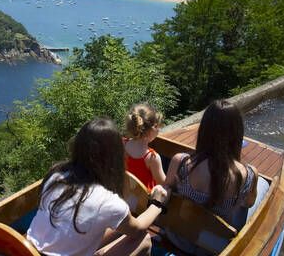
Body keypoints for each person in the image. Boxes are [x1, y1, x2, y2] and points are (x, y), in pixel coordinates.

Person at [26, 118, 170, 256]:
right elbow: (138, 229)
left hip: (27, 250)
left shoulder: (57, 175)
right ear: (116, 156)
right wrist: (157, 204)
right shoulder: (107, 201)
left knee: (115, 228)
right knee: (144, 240)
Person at [164, 99, 258, 253]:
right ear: (238, 133)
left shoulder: (180, 162)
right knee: (260, 187)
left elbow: (167, 191)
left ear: (204, 130)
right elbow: (249, 203)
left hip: (178, 237)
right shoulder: (249, 174)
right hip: (213, 248)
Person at [124, 104, 166, 191]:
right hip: (143, 202)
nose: (159, 130)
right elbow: (163, 184)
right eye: (157, 126)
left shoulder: (121, 144)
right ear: (152, 129)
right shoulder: (152, 158)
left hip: (123, 194)